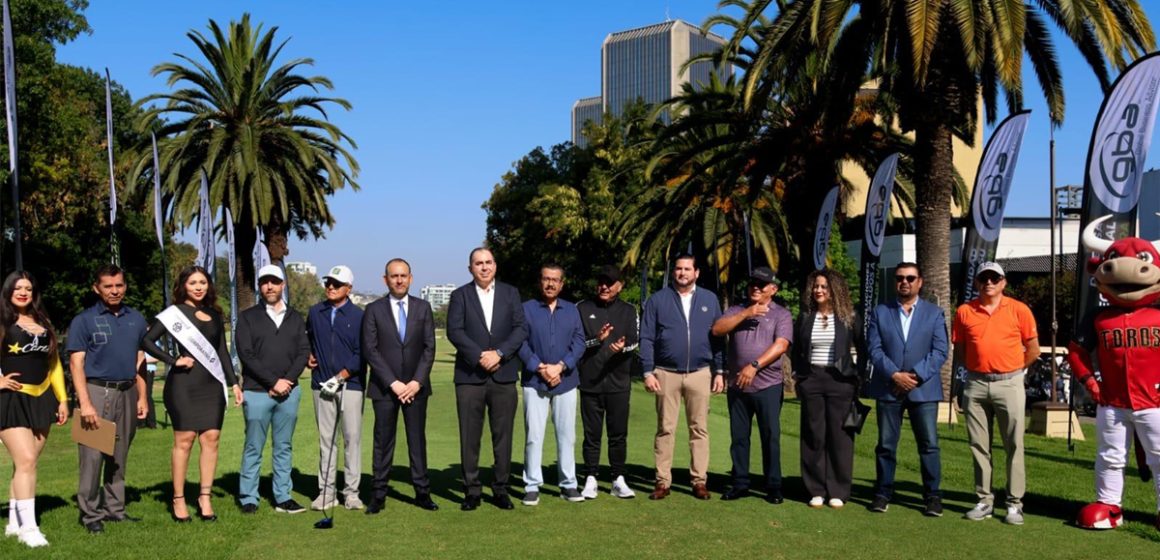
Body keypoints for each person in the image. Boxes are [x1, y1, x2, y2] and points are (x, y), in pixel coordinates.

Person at [142, 265, 244, 523]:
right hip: (183, 385)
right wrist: (172, 360)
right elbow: (146, 341)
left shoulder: (214, 314)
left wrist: (234, 384)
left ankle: (204, 496)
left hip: (212, 385)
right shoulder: (174, 314)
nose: (199, 287)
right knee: (185, 439)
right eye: (193, 283)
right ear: (183, 286)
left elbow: (221, 352)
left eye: (203, 282)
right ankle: (178, 498)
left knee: (211, 438)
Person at [953, 262, 1038, 525]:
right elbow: (960, 351)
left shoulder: (1019, 310)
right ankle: (984, 500)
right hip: (976, 384)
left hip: (1009, 383)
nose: (989, 282)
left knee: (1014, 443)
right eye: (984, 278)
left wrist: (1012, 369)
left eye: (994, 278)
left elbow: (1032, 349)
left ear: (1003, 282)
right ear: (977, 282)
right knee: (979, 445)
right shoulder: (965, 311)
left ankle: (1014, 504)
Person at [66, 265, 149, 534]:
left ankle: (115, 510)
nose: (115, 291)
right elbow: (76, 364)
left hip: (128, 392)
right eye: (108, 286)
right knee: (92, 457)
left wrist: (143, 397)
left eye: (119, 285)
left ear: (125, 286)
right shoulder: (84, 320)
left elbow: (140, 361)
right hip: (96, 392)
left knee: (119, 456)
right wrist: (85, 402)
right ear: (97, 288)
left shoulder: (136, 319)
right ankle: (90, 515)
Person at [446, 247, 528, 511]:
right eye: (478, 263)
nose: (484, 267)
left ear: (495, 265)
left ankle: (500, 488)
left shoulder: (510, 293)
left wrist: (500, 354)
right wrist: (480, 355)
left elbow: (520, 328)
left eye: (488, 262)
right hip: (470, 376)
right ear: (470, 267)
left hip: (503, 376)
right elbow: (454, 330)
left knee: (502, 437)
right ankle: (471, 490)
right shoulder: (460, 295)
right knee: (470, 437)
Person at [865, 262, 949, 516]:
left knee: (929, 445)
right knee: (886, 445)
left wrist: (914, 376)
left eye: (910, 278)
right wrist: (894, 374)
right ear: (895, 282)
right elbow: (874, 349)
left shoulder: (934, 313)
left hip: (923, 390)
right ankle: (882, 492)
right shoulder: (880, 312)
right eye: (900, 277)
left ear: (919, 282)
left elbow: (940, 351)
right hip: (889, 388)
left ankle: (932, 496)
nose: (905, 282)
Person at [640, 254, 725, 500]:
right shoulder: (658, 300)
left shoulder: (709, 299)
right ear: (673, 271)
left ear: (696, 273)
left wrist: (720, 371)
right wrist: (647, 371)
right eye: (678, 268)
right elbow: (646, 338)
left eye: (688, 268)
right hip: (665, 373)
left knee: (699, 429)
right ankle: (662, 481)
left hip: (700, 372)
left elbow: (718, 338)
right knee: (665, 429)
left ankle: (699, 480)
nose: (682, 273)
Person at [711, 266, 793, 504]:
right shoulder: (738, 309)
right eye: (752, 284)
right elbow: (717, 329)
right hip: (738, 387)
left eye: (761, 284)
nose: (755, 287)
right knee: (739, 437)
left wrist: (754, 365)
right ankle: (740, 483)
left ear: (773, 289)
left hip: (768, 385)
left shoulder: (781, 314)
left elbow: (781, 345)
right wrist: (747, 313)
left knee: (770, 436)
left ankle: (774, 486)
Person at [362, 259, 438, 513]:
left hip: (417, 388)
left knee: (417, 441)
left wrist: (416, 382)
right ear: (385, 279)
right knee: (383, 442)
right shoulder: (373, 309)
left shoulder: (423, 308)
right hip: (385, 388)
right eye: (394, 276)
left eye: (403, 275)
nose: (399, 280)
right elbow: (370, 350)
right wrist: (394, 383)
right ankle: (379, 495)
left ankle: (422, 493)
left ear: (411, 278)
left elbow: (429, 348)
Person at [235, 264, 310, 515]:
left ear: (282, 285)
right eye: (265, 282)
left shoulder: (295, 317)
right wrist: (272, 383)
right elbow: (246, 354)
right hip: (257, 392)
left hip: (289, 393)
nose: (270, 286)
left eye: (274, 282)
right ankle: (248, 497)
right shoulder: (247, 317)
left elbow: (303, 353)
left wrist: (286, 381)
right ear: (260, 286)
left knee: (283, 446)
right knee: (254, 446)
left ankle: (283, 496)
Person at [0, 271, 68, 548]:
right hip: (11, 399)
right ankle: (30, 528)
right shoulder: (3, 321)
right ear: (8, 291)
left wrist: (63, 399)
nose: (23, 292)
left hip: (43, 398)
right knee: (27, 460)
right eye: (18, 287)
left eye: (28, 287)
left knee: (24, 464)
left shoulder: (43, 321)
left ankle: (14, 523)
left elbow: (54, 365)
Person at [793, 269, 863, 509]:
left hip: (840, 381)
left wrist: (857, 378)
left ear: (835, 290)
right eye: (816, 286)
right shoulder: (805, 317)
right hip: (812, 378)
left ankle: (838, 490)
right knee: (814, 435)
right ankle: (816, 490)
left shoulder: (849, 317)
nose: (818, 290)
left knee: (840, 437)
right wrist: (799, 377)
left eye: (823, 286)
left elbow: (863, 350)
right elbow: (797, 351)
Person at [518, 264, 586, 506]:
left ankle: (568, 484)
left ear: (562, 283)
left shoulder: (571, 310)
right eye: (546, 279)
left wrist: (560, 366)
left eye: (555, 280)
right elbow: (521, 343)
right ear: (540, 281)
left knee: (567, 436)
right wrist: (540, 367)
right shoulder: (526, 309)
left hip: (566, 380)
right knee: (534, 436)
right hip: (534, 381)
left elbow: (579, 342)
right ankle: (532, 485)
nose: (550, 284)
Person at [305, 265, 366, 512]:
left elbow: (363, 353)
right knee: (326, 441)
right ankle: (326, 493)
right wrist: (307, 357)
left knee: (351, 439)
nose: (331, 287)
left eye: (337, 284)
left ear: (348, 288)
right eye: (328, 282)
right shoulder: (314, 312)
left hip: (350, 385)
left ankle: (351, 493)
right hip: (320, 384)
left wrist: (341, 376)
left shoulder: (360, 316)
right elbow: (307, 341)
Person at [577, 265, 638, 500]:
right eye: (601, 282)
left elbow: (634, 341)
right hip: (590, 382)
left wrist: (621, 348)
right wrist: (596, 340)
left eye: (610, 283)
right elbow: (578, 343)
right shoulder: (582, 308)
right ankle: (591, 477)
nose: (604, 286)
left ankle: (618, 479)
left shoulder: (629, 310)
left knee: (618, 434)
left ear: (619, 286)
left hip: (619, 382)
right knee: (591, 435)